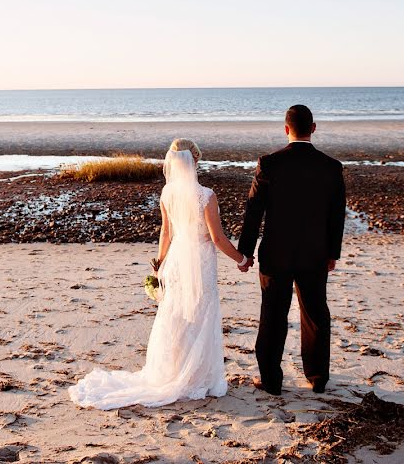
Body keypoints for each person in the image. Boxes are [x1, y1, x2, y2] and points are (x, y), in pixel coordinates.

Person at [68, 138, 248, 410]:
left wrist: (159, 263)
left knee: (177, 315)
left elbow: (166, 233)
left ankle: (173, 371)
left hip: (175, 259)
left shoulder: (168, 194)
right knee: (201, 313)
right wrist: (242, 259)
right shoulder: (206, 196)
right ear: (195, 161)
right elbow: (218, 238)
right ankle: (199, 376)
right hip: (199, 261)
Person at [237, 105, 346, 395]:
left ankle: (271, 380)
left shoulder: (270, 163)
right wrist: (333, 252)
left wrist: (245, 252)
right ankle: (318, 377)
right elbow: (337, 215)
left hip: (276, 253)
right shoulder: (331, 167)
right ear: (313, 128)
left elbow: (253, 211)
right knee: (315, 314)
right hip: (315, 253)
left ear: (286, 129)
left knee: (273, 315)